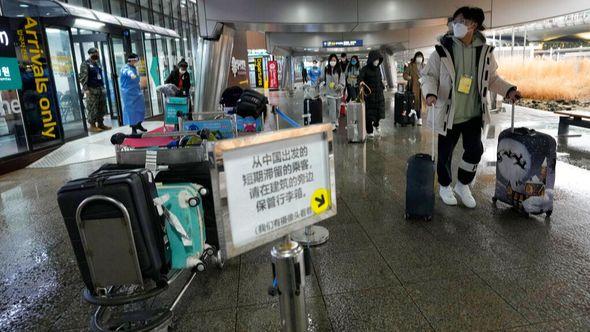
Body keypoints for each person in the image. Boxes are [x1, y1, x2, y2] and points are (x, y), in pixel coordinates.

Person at [421, 6, 521, 209]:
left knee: (475, 151)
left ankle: (463, 184)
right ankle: (445, 185)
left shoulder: (485, 52)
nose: (455, 25)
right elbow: (429, 76)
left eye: (460, 21)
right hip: (449, 114)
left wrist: (508, 90)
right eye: (454, 21)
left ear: (473, 25)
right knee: (445, 153)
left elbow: (492, 79)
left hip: (474, 113)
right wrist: (430, 94)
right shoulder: (442, 50)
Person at [79, 47, 110, 132]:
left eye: (97, 53)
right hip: (91, 89)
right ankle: (92, 125)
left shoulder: (98, 63)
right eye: (94, 53)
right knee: (93, 108)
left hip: (100, 88)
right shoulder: (85, 64)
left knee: (102, 107)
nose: (96, 55)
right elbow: (82, 77)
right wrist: (85, 89)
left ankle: (101, 124)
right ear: (90, 54)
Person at [359, 50, 385, 138]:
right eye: (375, 59)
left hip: (379, 95)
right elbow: (360, 78)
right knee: (369, 115)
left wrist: (382, 86)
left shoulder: (378, 69)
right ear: (371, 59)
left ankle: (376, 124)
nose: (377, 61)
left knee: (379, 113)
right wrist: (361, 82)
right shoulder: (365, 69)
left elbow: (380, 80)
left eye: (378, 60)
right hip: (369, 96)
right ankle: (369, 131)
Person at [120, 53, 147, 134]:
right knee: (132, 111)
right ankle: (133, 129)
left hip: (136, 91)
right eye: (136, 60)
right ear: (131, 60)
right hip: (128, 93)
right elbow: (126, 72)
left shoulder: (134, 67)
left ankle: (139, 124)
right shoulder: (125, 68)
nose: (137, 61)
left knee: (140, 109)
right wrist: (131, 74)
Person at [322, 54, 345, 130]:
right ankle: (332, 123)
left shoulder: (339, 70)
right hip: (330, 94)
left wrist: (337, 86)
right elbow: (323, 78)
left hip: (338, 93)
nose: (333, 61)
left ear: (337, 61)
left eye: (334, 60)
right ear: (329, 61)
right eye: (331, 60)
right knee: (332, 109)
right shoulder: (326, 69)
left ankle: (336, 120)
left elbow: (342, 82)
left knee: (337, 109)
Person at [403, 51, 426, 125]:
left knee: (420, 103)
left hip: (422, 88)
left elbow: (428, 75)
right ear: (415, 58)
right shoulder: (411, 65)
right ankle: (418, 118)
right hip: (413, 88)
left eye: (421, 57)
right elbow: (405, 74)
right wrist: (408, 77)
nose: (419, 58)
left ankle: (417, 117)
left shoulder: (424, 66)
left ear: (422, 58)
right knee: (415, 103)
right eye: (418, 57)